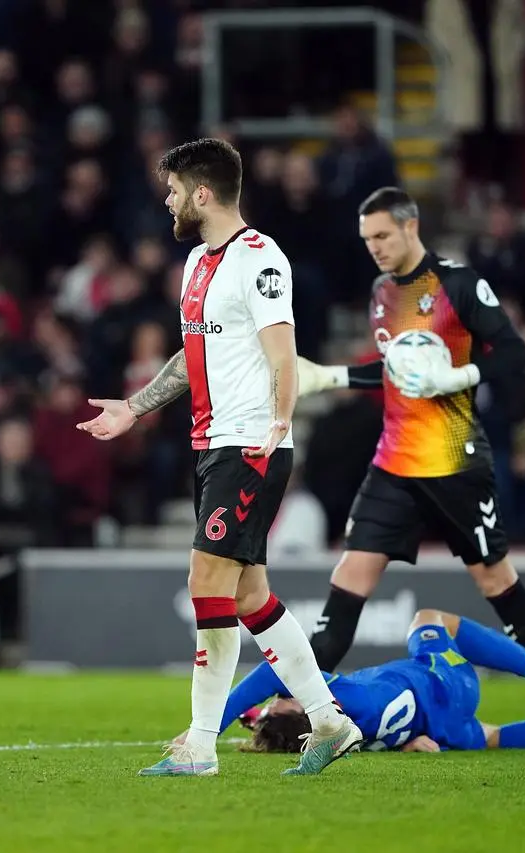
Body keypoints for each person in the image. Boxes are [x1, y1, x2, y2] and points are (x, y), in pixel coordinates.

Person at [76, 138, 363, 777]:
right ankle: (330, 720)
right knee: (251, 596)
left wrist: (282, 416)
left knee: (206, 584)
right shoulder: (199, 265)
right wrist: (134, 406)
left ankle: (200, 747)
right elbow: (193, 355)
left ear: (203, 193)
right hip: (215, 445)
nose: (169, 201)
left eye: (174, 190)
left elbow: (281, 347)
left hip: (250, 442)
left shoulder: (260, 258)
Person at [294, 188, 525, 721]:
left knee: (494, 578)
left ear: (410, 226)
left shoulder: (459, 284)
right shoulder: (381, 293)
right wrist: (329, 377)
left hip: (455, 463)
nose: (373, 247)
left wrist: (460, 375)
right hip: (393, 463)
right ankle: (304, 703)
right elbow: (401, 370)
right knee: (350, 575)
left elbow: (515, 351)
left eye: (381, 235)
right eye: (366, 239)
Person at [225, 608, 525, 756]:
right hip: (444, 676)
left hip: (438, 727)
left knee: (496, 737)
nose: (283, 695)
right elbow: (271, 670)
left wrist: (264, 720)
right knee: (431, 619)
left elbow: (285, 718)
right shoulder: (337, 695)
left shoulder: (344, 741)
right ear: (305, 712)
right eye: (285, 701)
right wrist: (212, 720)